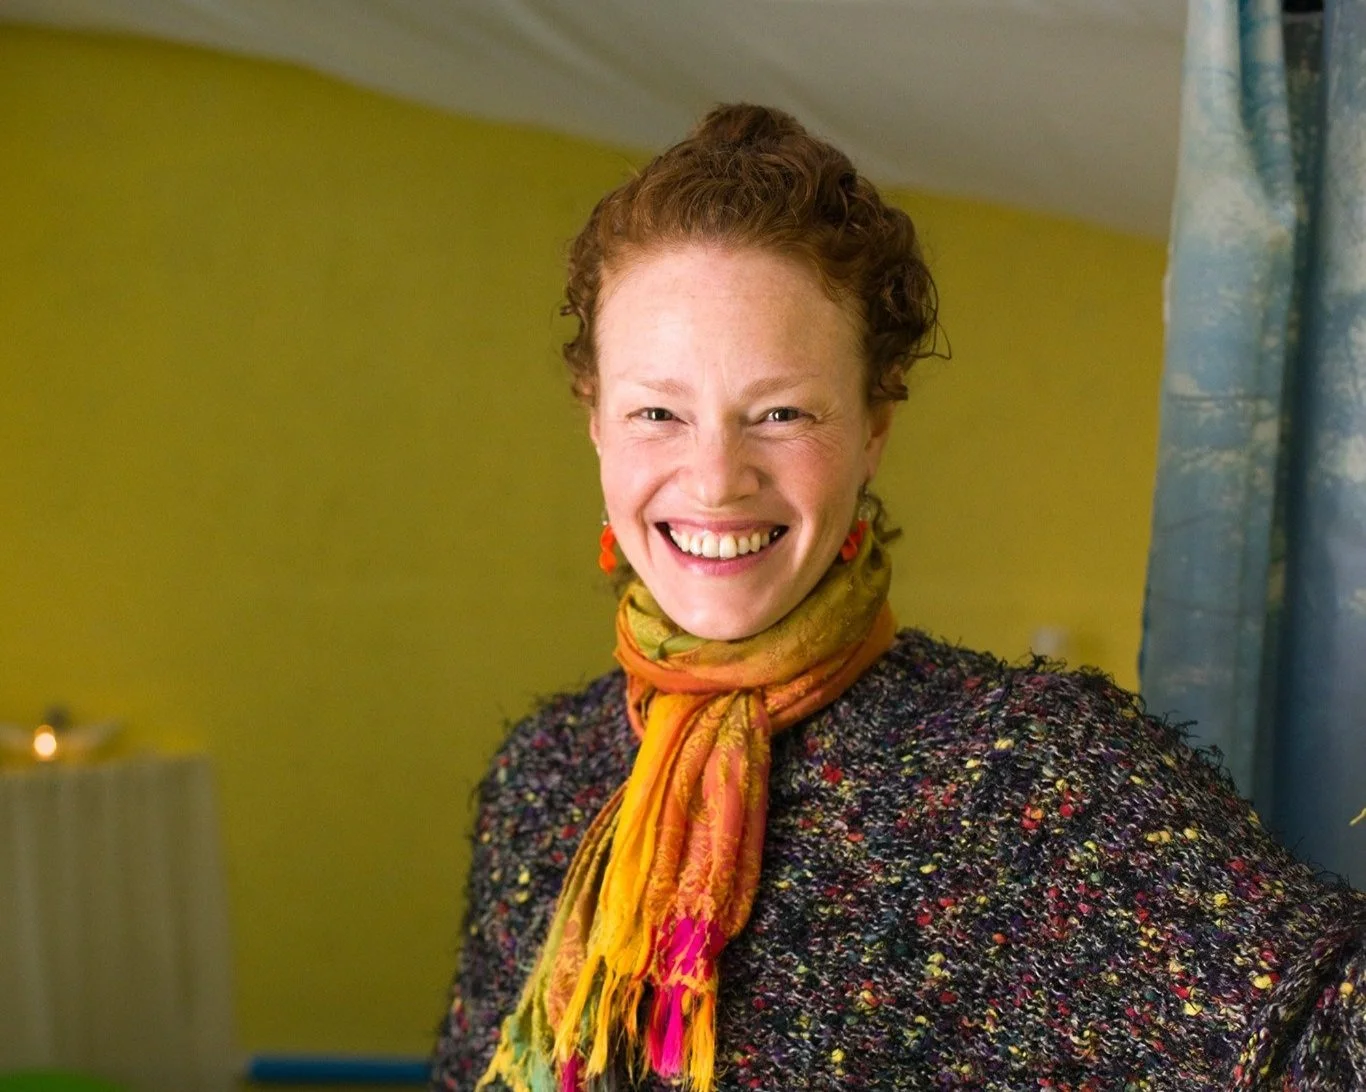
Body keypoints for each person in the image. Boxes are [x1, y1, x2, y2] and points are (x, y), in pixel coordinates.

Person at [430, 104, 1366, 1092]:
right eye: (657, 412)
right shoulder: (541, 780)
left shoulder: (1028, 773)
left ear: (873, 427)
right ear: (596, 425)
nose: (713, 479)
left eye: (781, 413)